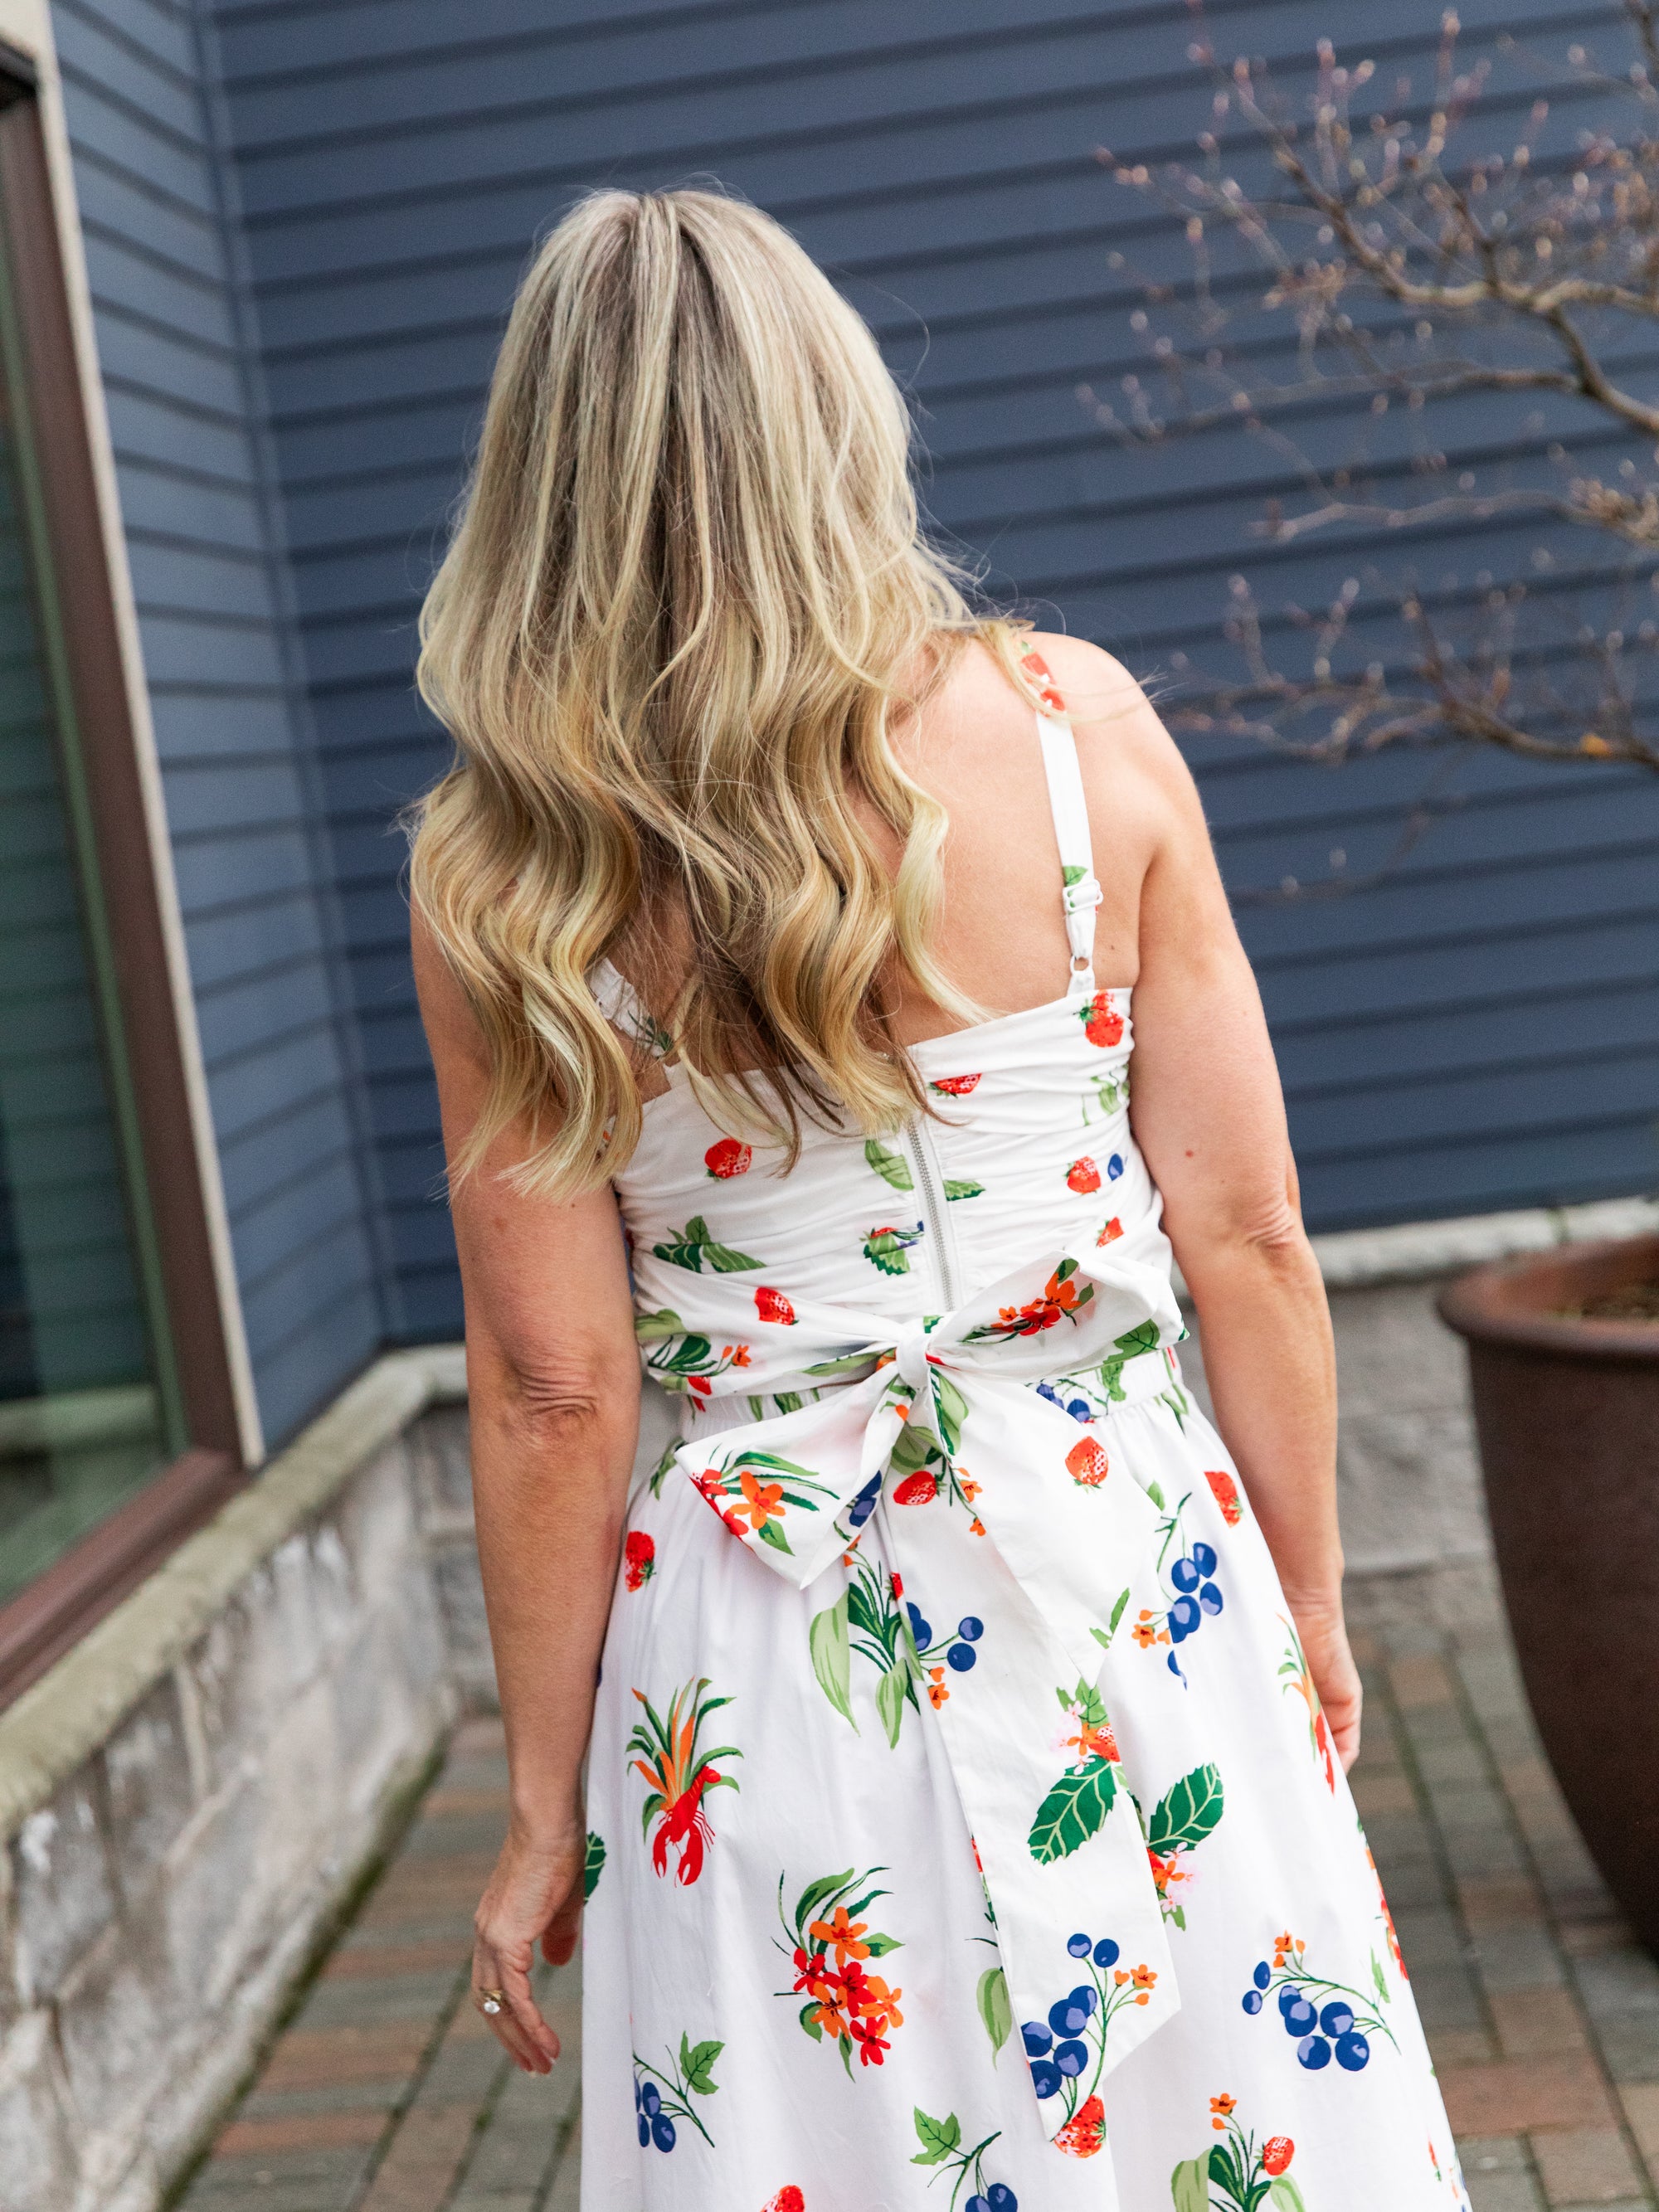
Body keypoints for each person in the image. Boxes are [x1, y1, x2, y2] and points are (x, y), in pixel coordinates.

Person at [408, 187, 1466, 2212]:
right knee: (1235, 2125)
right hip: (1126, 1570)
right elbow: (1243, 1235)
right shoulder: (1077, 732)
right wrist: (1307, 1597)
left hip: (762, 1628)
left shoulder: (503, 877)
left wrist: (544, 1809)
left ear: (536, 481)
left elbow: (556, 1388)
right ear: (841, 423)